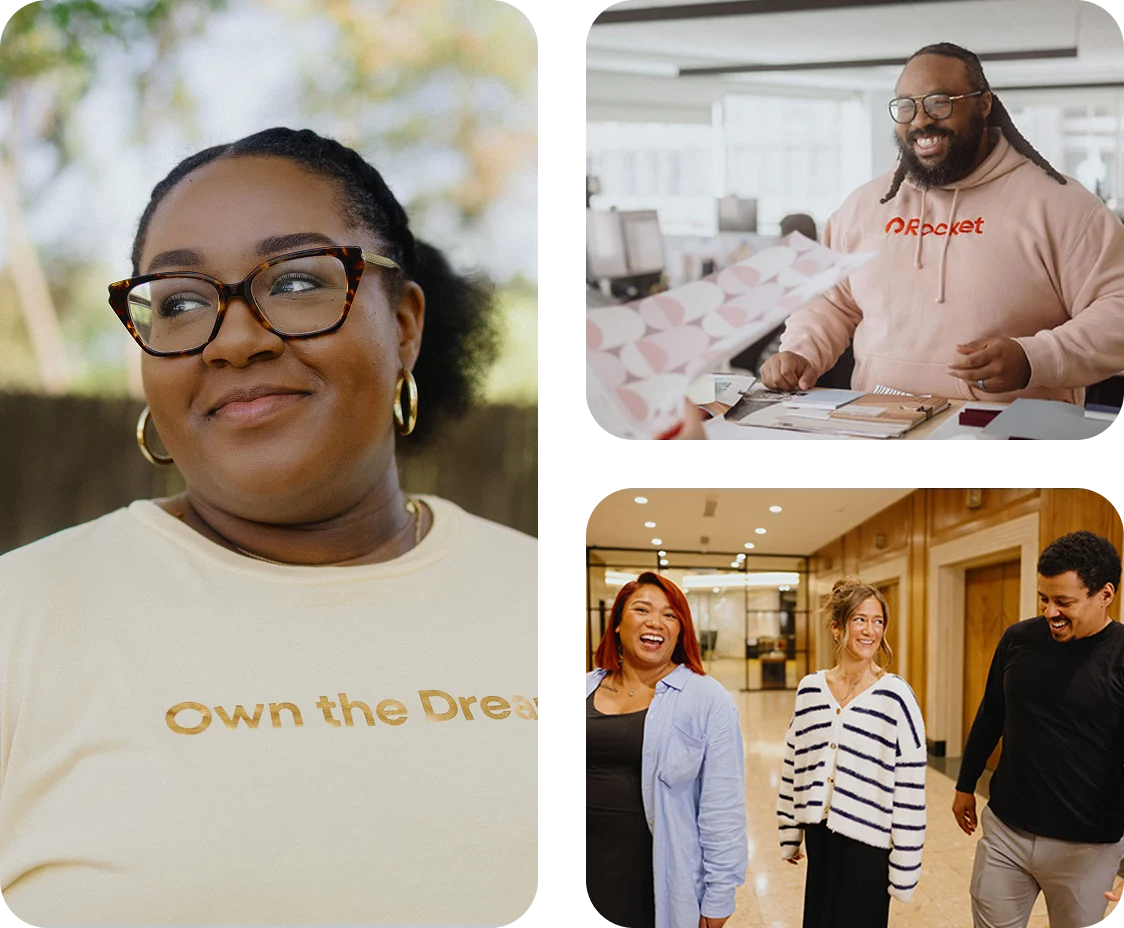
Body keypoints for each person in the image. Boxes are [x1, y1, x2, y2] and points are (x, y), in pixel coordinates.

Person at [0, 127, 540, 926]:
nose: (237, 338)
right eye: (181, 301)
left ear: (405, 328)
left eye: (293, 282)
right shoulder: (24, 617)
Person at [760, 42, 1124, 405]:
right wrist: (800, 351)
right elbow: (830, 301)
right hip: (880, 419)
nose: (920, 120)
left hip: (1012, 426)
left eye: (939, 102)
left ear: (983, 103)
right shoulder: (864, 207)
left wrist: (1035, 358)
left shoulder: (1061, 204)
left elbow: (1117, 306)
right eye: (906, 106)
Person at [953, 531, 1124, 928]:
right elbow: (992, 712)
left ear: (1105, 594)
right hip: (1007, 831)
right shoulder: (1018, 639)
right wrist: (965, 783)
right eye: (1044, 599)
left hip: (1087, 847)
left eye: (1064, 601)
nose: (1050, 612)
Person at [584, 571, 747, 928]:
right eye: (642, 610)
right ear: (617, 623)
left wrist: (719, 895)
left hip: (653, 876)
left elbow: (723, 805)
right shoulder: (586, 686)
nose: (655, 621)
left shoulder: (706, 698)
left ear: (680, 631)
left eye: (670, 615)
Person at [779, 577, 926, 928]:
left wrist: (906, 866)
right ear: (836, 627)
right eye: (859, 619)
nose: (869, 630)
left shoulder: (896, 696)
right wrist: (790, 831)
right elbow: (794, 763)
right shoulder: (810, 690)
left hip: (869, 845)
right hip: (821, 836)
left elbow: (909, 786)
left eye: (878, 621)